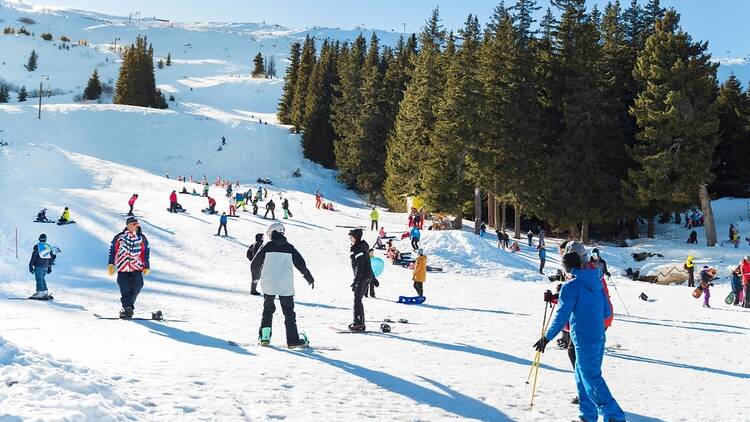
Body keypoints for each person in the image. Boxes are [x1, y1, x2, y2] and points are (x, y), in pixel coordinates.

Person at [534, 251, 626, 422]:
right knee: (582, 376)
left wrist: (546, 338)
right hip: (598, 336)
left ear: (567, 267)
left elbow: (561, 316)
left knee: (591, 378)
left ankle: (615, 416)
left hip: (584, 339)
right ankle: (588, 416)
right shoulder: (597, 282)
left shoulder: (570, 287)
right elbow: (606, 311)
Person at [251, 223, 314, 348]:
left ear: (272, 233)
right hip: (285, 284)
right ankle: (293, 341)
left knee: (268, 310)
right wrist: (309, 277)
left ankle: (264, 338)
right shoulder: (290, 247)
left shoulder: (266, 246)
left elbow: (254, 264)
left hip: (268, 283)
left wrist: (256, 277)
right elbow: (300, 264)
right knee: (289, 312)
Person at [108, 217, 150, 319]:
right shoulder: (119, 237)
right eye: (133, 224)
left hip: (136, 268)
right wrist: (111, 264)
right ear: (128, 225)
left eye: (136, 224)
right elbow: (113, 250)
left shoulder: (141, 238)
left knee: (138, 286)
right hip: (123, 268)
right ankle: (128, 309)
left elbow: (145, 253)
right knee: (125, 289)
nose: (136, 225)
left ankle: (127, 308)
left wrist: (146, 266)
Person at [348, 229, 373, 332]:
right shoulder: (362, 247)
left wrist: (356, 281)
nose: (350, 238)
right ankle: (360, 323)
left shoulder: (358, 249)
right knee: (359, 299)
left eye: (351, 236)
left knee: (357, 300)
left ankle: (358, 323)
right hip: (366, 276)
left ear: (356, 237)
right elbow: (367, 263)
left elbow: (361, 265)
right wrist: (372, 278)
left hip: (362, 277)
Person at [28, 233, 56, 299]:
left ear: (39, 239)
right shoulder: (48, 246)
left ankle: (40, 292)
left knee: (39, 279)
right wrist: (49, 266)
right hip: (46, 266)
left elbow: (34, 256)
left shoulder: (37, 246)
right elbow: (51, 257)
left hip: (39, 265)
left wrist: (30, 265)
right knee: (42, 278)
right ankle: (45, 291)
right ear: (46, 240)